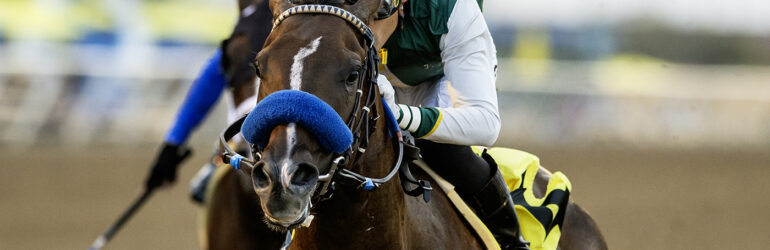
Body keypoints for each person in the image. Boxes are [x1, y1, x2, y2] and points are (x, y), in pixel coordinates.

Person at [370, 0, 529, 248]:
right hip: (373, 76)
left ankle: (511, 240)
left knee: (443, 150)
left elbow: (485, 123)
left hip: (440, 77)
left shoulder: (452, 7)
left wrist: (400, 115)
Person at [144, 0, 272, 203]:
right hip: (245, 144)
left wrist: (173, 143)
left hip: (289, 140)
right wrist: (172, 145)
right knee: (209, 189)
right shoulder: (249, 21)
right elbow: (212, 79)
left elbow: (211, 78)